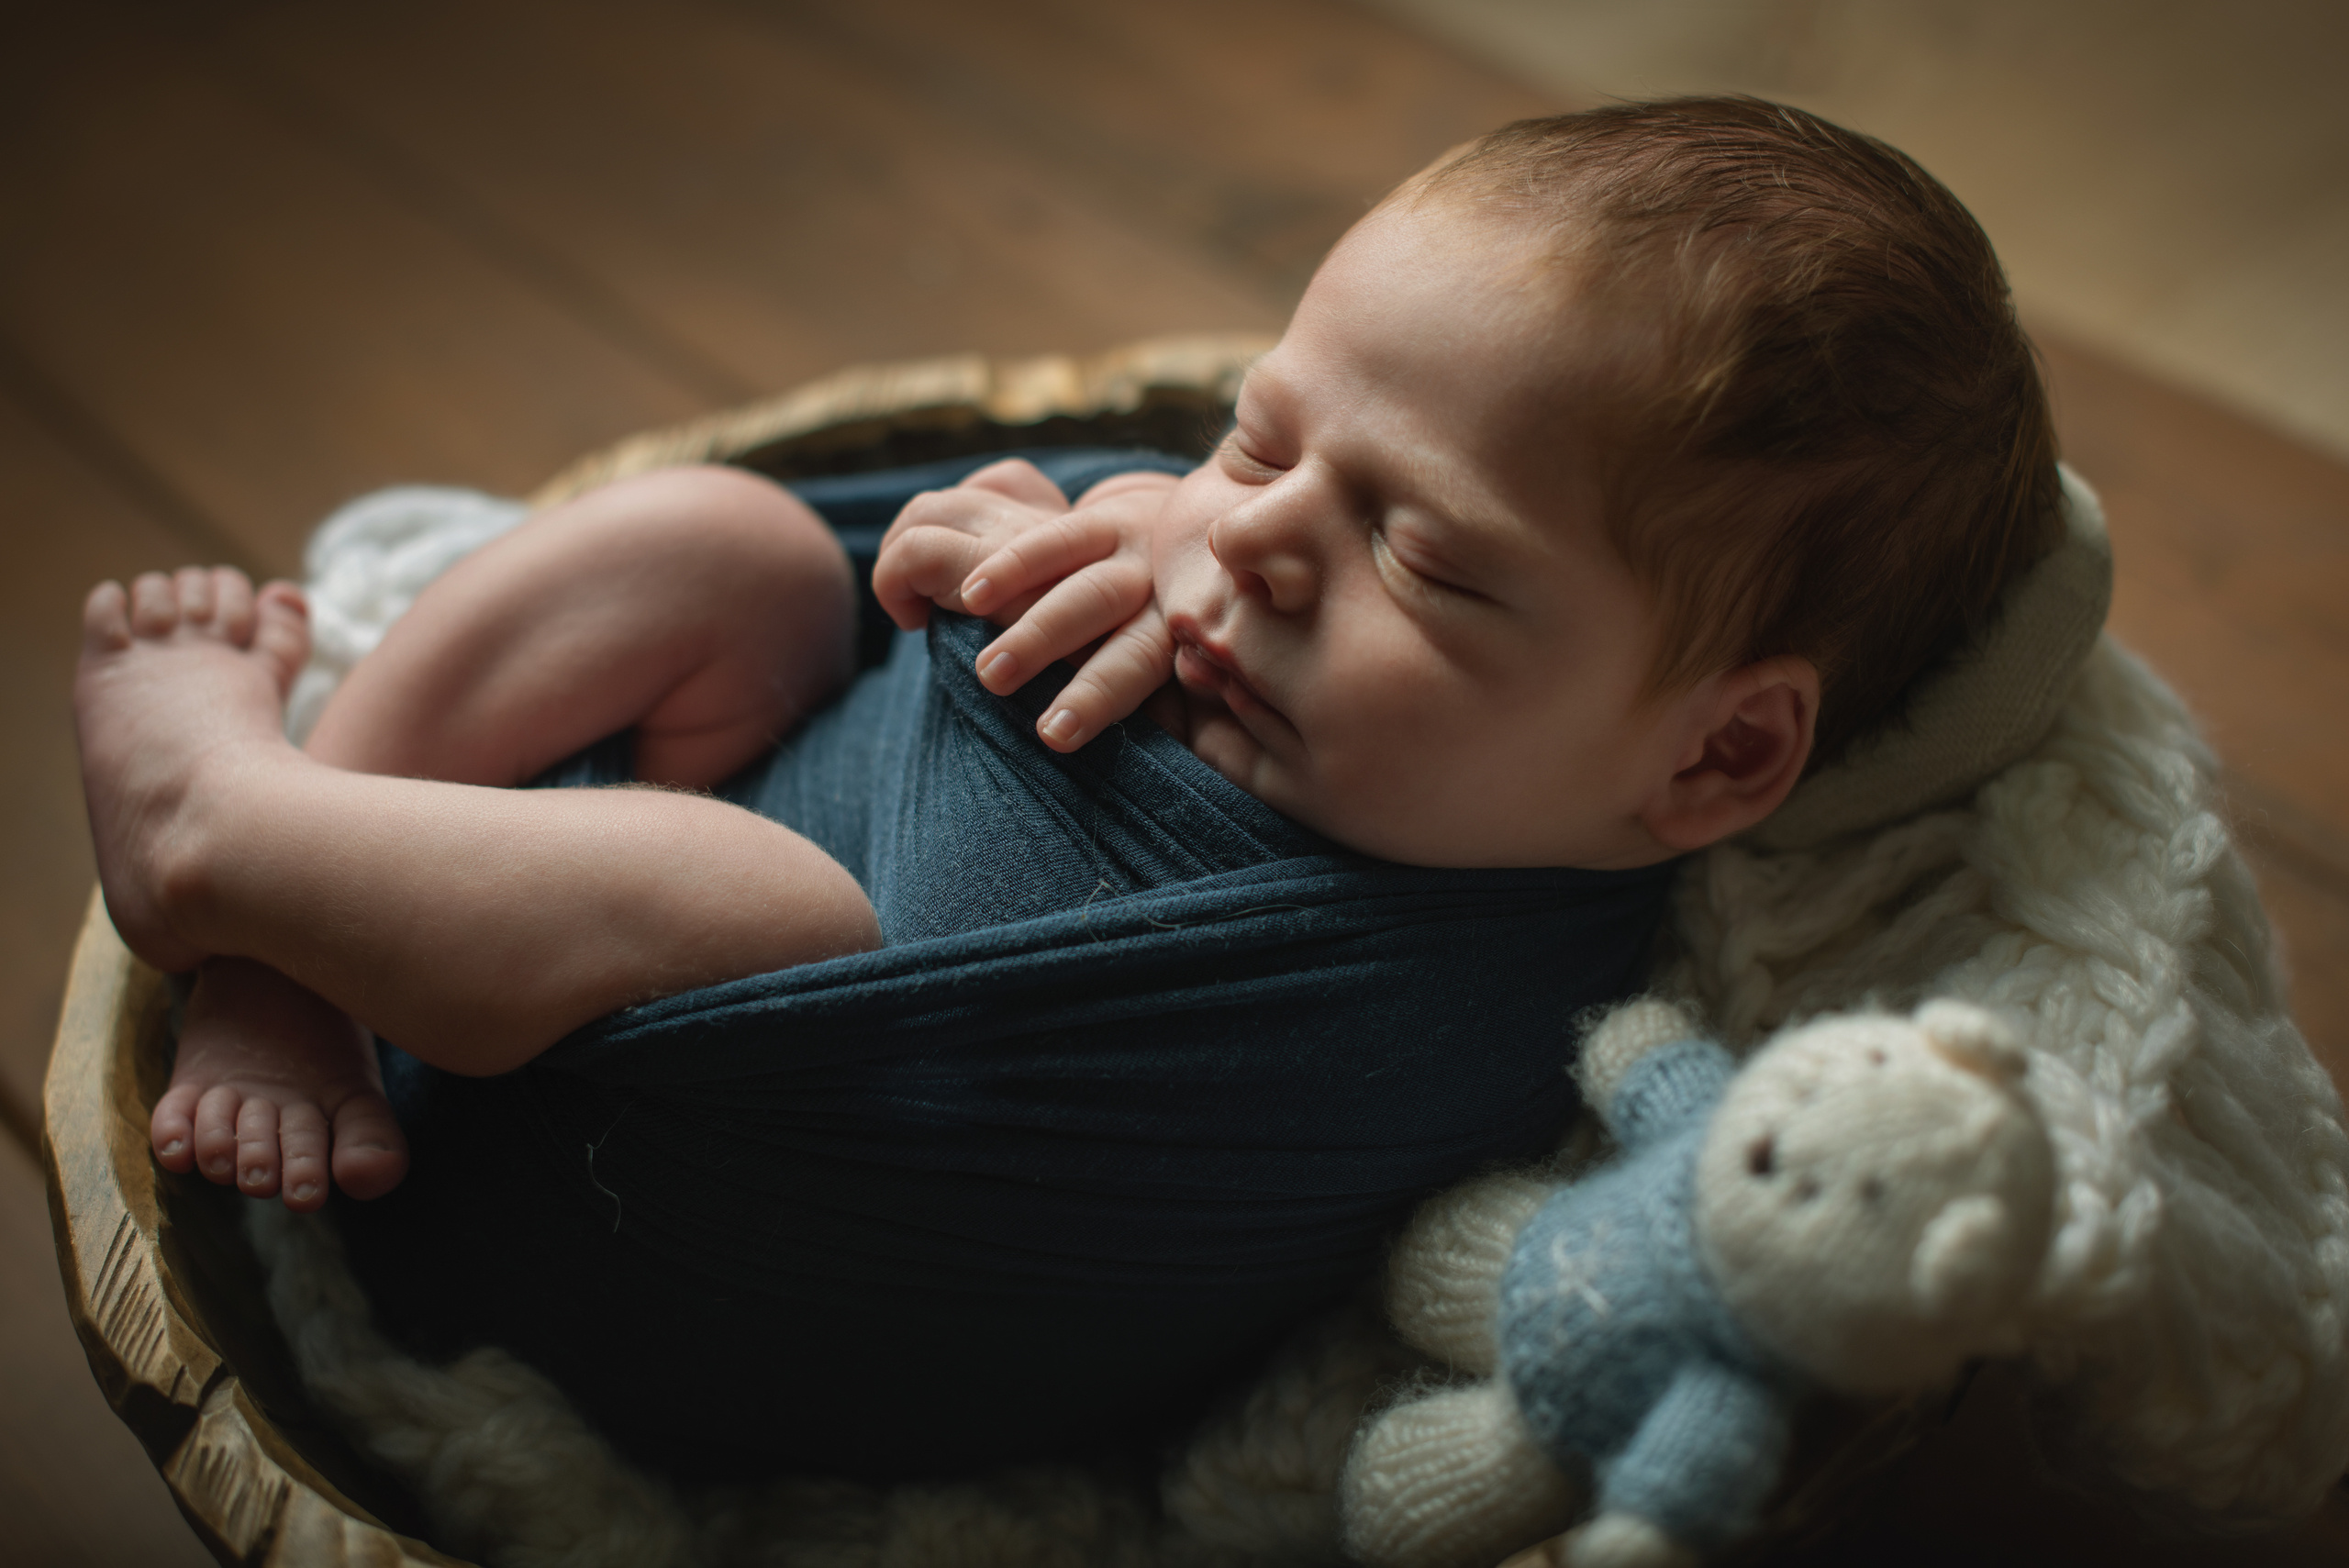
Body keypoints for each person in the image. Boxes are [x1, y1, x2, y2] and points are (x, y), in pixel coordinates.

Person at [72, 96, 2059, 1478]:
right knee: (719, 551)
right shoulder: (1214, 574)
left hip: (683, 1221)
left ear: (1710, 753)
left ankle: (226, 832)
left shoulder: (1543, 984)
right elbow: (896, 608)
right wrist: (1011, 548)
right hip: (649, 855)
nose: (1256, 543)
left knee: (751, 913)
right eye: (1259, 433)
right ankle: (297, 938)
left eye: (1425, 564)